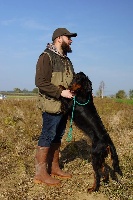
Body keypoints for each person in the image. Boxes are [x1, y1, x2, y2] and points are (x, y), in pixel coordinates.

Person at [34, 28, 77, 186]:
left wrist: (82, 93)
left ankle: (54, 167)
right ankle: (40, 174)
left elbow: (71, 83)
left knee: (58, 137)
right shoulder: (46, 57)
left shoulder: (66, 60)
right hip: (51, 105)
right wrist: (61, 93)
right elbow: (41, 82)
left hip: (64, 106)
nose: (71, 40)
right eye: (69, 38)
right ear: (59, 38)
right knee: (47, 136)